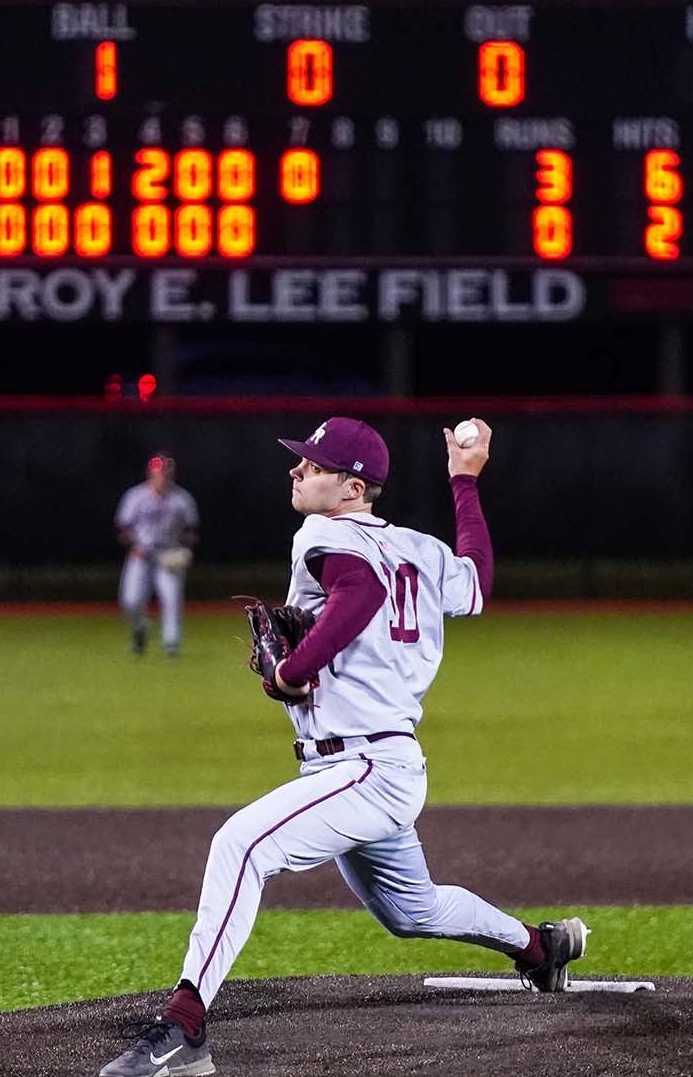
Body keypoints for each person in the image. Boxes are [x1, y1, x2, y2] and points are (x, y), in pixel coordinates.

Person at [100, 416, 586, 1077]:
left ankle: (184, 1030)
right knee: (413, 912)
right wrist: (465, 483)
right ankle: (539, 946)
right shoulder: (420, 548)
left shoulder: (323, 533)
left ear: (354, 486)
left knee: (239, 846)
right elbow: (477, 581)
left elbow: (362, 592)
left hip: (363, 765)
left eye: (314, 465)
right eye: (300, 461)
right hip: (376, 765)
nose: (297, 471)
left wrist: (292, 670)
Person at [115, 453, 199, 658]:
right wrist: (134, 545)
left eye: (166, 472)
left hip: (168, 555)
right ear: (150, 474)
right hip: (141, 554)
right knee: (130, 600)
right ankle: (140, 629)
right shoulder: (135, 496)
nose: (162, 476)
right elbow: (123, 527)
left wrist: (185, 550)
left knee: (171, 600)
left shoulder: (182, 499)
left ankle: (171, 645)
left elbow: (192, 530)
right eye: (159, 472)